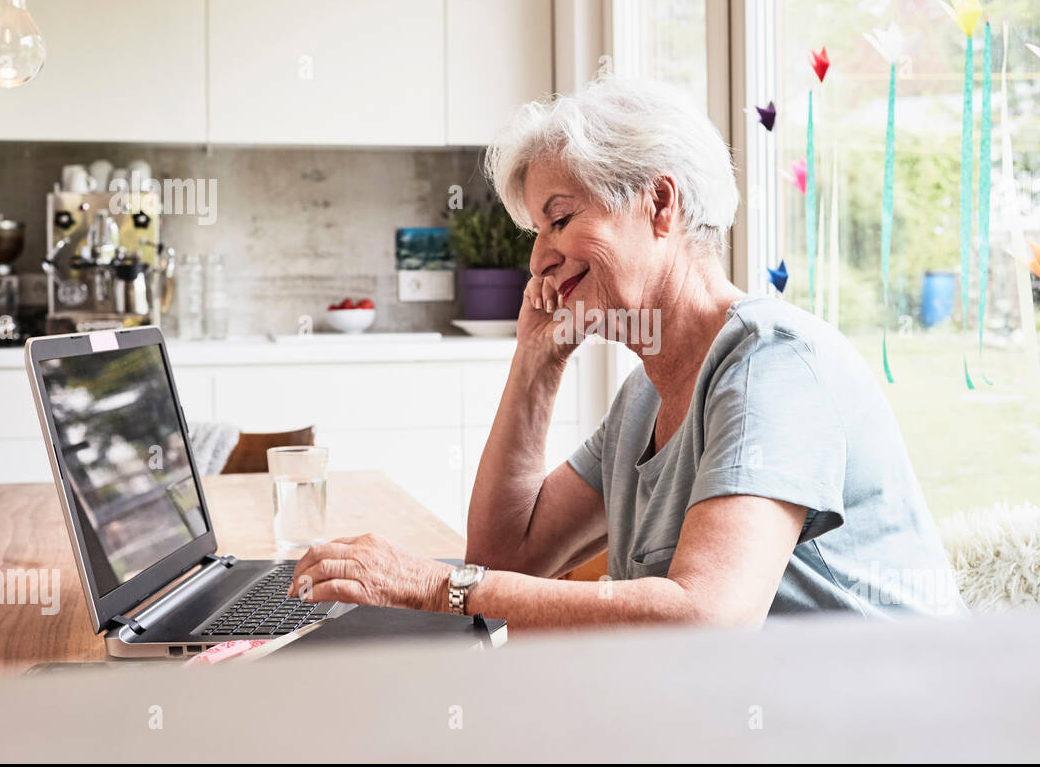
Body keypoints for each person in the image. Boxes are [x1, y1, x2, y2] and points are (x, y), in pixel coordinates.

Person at [290, 76, 968, 627]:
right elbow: (506, 555)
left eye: (558, 219)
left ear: (660, 203)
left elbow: (707, 618)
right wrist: (537, 362)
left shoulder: (773, 366)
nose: (537, 258)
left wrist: (439, 587)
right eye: (535, 230)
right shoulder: (646, 394)